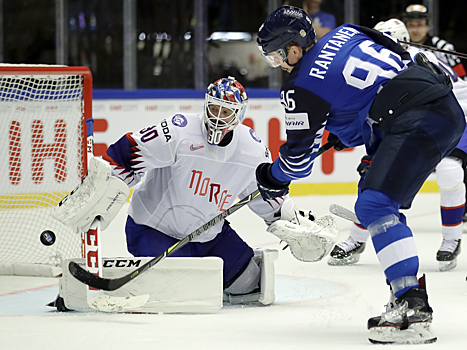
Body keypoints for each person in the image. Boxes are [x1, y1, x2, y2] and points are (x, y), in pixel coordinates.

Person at [256, 5, 465, 344]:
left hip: (413, 119)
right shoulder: (349, 31)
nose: (277, 64)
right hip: (442, 104)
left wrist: (272, 176)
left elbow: (297, 161)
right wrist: (351, 127)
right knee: (381, 198)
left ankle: (412, 305)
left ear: (293, 48)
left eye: (275, 55)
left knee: (375, 204)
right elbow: (398, 60)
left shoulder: (300, 85)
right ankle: (404, 293)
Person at [48, 76, 339, 311]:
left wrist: (290, 222)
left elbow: (265, 196)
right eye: (213, 108)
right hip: (153, 229)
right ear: (205, 105)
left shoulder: (251, 149)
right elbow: (127, 151)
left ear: (239, 116)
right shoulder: (179, 131)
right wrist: (102, 190)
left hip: (210, 235)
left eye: (226, 112)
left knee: (250, 284)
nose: (217, 117)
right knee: (177, 293)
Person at [329, 18, 466, 272]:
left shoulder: (417, 57)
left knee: (449, 171)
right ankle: (357, 240)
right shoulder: (379, 63)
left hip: (448, 117)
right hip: (406, 125)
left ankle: (451, 238)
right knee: (373, 175)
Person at [402, 4, 467, 80]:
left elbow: (462, 78)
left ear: (428, 26)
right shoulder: (400, 48)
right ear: (405, 27)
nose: (415, 30)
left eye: (419, 25)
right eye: (411, 25)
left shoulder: (444, 48)